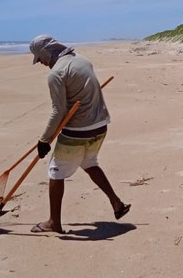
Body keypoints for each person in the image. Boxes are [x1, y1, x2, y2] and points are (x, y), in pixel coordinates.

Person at [29, 34, 130, 233]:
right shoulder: (83, 60)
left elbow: (58, 111)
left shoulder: (56, 74)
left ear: (46, 53)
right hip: (100, 126)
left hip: (77, 132)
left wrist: (44, 139)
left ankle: (54, 222)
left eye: (39, 58)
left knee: (55, 172)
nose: (40, 62)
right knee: (89, 162)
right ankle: (117, 203)